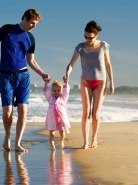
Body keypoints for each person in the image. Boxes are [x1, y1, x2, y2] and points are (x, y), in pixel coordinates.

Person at [0, 8, 50, 153]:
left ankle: (18, 143)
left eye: (36, 24)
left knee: (23, 111)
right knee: (8, 112)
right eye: (32, 23)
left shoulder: (30, 38)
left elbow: (31, 60)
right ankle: (7, 136)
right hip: (6, 76)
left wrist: (42, 73)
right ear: (25, 19)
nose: (34, 26)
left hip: (23, 76)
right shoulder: (7, 29)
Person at [64, 21, 114, 149]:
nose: (87, 39)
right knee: (86, 113)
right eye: (85, 37)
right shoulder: (80, 47)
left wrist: (112, 82)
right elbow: (71, 64)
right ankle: (85, 141)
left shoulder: (103, 46)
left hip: (101, 82)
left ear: (96, 35)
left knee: (96, 114)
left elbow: (108, 64)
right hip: (85, 81)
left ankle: (94, 138)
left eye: (90, 37)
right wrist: (68, 74)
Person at [43, 79, 70, 150]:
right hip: (52, 118)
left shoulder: (63, 98)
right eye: (54, 90)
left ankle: (61, 140)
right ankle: (52, 146)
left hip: (61, 117)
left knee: (61, 130)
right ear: (52, 91)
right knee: (52, 133)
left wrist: (66, 82)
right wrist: (46, 82)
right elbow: (46, 92)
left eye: (58, 90)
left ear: (61, 91)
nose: (56, 92)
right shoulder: (50, 98)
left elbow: (66, 92)